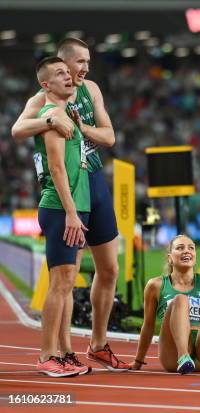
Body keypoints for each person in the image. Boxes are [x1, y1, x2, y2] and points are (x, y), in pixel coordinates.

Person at [11, 38, 129, 371]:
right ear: (62, 65)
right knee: (66, 275)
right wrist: (51, 120)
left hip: (94, 183)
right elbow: (18, 129)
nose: (84, 68)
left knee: (109, 269)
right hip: (68, 193)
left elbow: (110, 137)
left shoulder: (90, 90)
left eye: (86, 62)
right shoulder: (44, 101)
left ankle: (97, 344)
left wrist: (81, 126)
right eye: (78, 63)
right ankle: (59, 351)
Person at [33, 57, 91, 377]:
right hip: (60, 208)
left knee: (68, 283)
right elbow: (55, 168)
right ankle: (46, 356)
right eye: (60, 74)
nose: (68, 77)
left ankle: (64, 352)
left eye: (68, 73)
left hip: (75, 207)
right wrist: (70, 212)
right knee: (60, 283)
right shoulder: (52, 115)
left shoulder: (67, 112)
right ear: (46, 85)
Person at [130, 235, 200, 375]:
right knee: (180, 299)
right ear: (170, 258)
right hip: (173, 354)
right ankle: (183, 357)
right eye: (180, 248)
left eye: (191, 248)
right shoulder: (155, 285)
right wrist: (138, 361)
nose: (186, 251)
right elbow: (148, 325)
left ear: (195, 256)